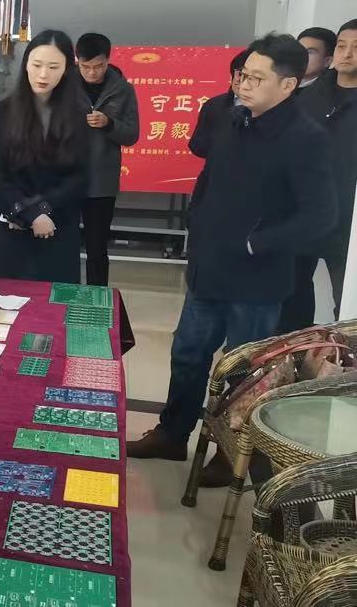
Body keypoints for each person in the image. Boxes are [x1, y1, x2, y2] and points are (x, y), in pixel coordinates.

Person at [128, 33, 335, 467]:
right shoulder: (232, 119)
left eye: (257, 78)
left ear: (287, 85)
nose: (244, 84)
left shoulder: (306, 137)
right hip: (209, 268)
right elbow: (209, 181)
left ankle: (230, 455)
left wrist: (256, 242)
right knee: (187, 355)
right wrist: (199, 225)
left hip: (257, 280)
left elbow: (320, 215)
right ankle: (171, 434)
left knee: (244, 371)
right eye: (243, 75)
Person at [0, 31, 91, 284]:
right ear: (25, 65)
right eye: (36, 65)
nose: (43, 74)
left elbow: (79, 176)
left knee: (47, 302)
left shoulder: (79, 115)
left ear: (67, 69)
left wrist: (42, 212)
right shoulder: (2, 112)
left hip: (54, 226)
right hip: (3, 227)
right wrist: (27, 214)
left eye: (53, 67)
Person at [280, 18, 357, 332]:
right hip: (302, 212)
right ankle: (291, 351)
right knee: (290, 292)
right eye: (342, 46)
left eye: (356, 47)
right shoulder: (308, 97)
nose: (347, 54)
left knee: (347, 298)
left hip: (348, 218)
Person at [75, 33, 141, 287]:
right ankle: (58, 299)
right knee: (61, 244)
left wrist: (109, 123)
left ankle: (96, 299)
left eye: (98, 66)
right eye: (85, 67)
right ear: (77, 61)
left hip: (102, 182)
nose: (92, 73)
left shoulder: (123, 90)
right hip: (66, 178)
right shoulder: (65, 85)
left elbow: (132, 134)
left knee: (96, 247)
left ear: (108, 60)